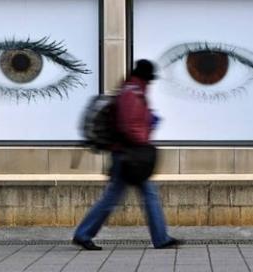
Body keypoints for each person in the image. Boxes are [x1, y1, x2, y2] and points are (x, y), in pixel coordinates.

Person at [73, 59, 180, 250]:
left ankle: (160, 237)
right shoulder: (132, 93)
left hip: (128, 154)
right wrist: (143, 138)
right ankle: (83, 233)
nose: (150, 83)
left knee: (141, 195)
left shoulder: (133, 91)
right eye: (149, 80)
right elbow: (127, 125)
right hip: (128, 155)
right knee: (118, 198)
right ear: (144, 78)